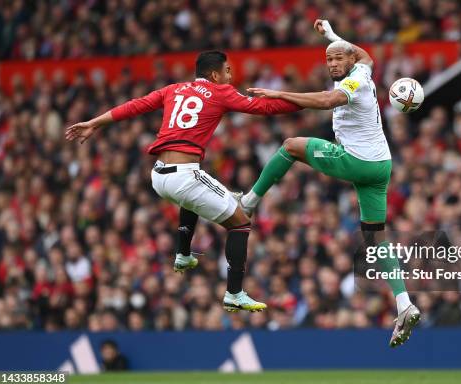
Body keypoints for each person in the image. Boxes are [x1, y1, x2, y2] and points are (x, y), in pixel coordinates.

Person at [65, 51, 301, 312]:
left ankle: (183, 254)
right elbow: (264, 107)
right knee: (241, 221)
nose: (231, 76)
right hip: (184, 174)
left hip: (158, 175)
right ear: (214, 75)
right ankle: (234, 293)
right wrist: (309, 101)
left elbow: (135, 105)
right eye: (227, 71)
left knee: (196, 196)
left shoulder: (173, 89)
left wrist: (95, 123)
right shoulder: (221, 92)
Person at [238, 20, 421, 347]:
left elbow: (327, 101)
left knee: (291, 145)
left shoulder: (355, 83)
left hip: (358, 162)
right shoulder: (364, 69)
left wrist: (280, 93)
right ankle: (404, 303)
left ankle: (249, 201)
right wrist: (333, 35)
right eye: (330, 60)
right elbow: (366, 55)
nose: (334, 63)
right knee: (375, 238)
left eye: (339, 58)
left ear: (349, 62)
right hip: (381, 166)